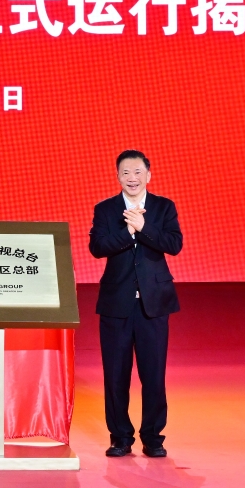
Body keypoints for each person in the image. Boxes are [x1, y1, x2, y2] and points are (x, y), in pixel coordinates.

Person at [88, 150, 183, 458]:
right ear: (117, 176)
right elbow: (97, 247)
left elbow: (174, 244)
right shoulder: (105, 209)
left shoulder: (163, 207)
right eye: (126, 172)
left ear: (148, 175)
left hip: (153, 305)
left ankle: (153, 438)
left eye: (138, 172)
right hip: (116, 305)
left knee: (153, 375)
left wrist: (144, 227)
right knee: (116, 375)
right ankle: (120, 437)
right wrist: (127, 232)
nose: (132, 178)